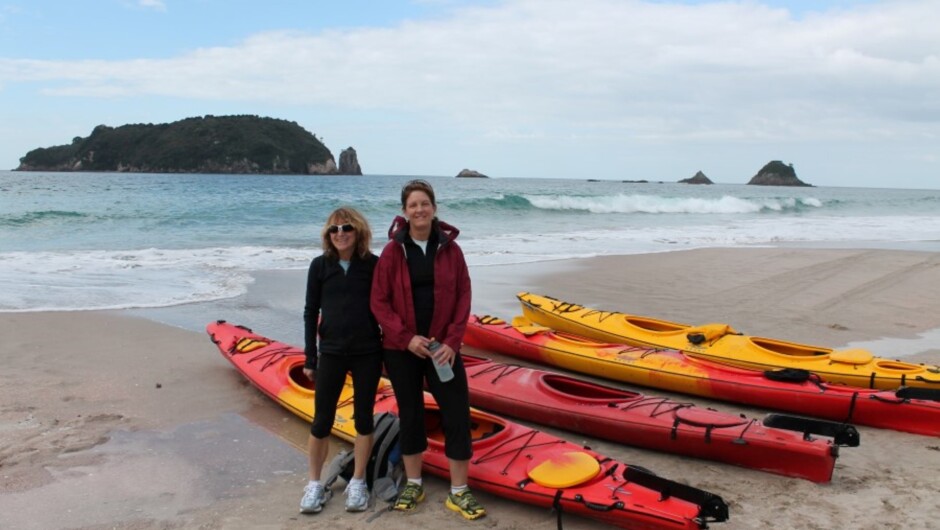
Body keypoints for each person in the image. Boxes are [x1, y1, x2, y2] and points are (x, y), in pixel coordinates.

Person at [370, 179, 486, 520]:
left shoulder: (450, 249)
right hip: (401, 348)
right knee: (411, 415)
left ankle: (459, 492)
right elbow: (379, 301)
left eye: (424, 203)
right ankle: (414, 483)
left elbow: (463, 296)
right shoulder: (393, 251)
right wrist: (406, 338)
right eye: (412, 205)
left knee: (456, 414)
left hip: (442, 350)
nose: (419, 210)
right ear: (404, 212)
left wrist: (451, 342)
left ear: (434, 208)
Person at [300, 207, 383, 514]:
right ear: (327, 235)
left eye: (346, 228)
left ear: (358, 231)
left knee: (364, 418)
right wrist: (310, 356)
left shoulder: (373, 265)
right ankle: (314, 484)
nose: (340, 234)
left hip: (367, 351)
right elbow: (311, 312)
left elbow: (387, 307)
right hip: (331, 352)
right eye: (334, 230)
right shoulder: (319, 266)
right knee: (321, 420)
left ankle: (358, 481)